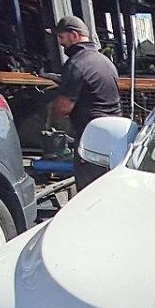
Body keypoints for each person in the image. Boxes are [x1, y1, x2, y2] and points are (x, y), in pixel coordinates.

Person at [48, 16, 120, 190]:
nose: (60, 43)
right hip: (114, 136)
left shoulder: (76, 64)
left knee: (90, 191)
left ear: (74, 35)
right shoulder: (105, 62)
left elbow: (63, 107)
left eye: (61, 37)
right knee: (111, 188)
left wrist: (50, 122)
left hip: (91, 140)